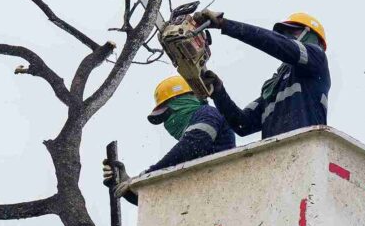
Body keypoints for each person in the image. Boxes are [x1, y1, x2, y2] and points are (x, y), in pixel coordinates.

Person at [194, 11, 330, 139]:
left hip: (306, 152)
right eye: (283, 33)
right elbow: (243, 124)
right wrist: (218, 91)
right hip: (276, 159)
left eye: (292, 31)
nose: (286, 36)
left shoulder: (317, 58)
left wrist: (225, 24)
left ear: (311, 35)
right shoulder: (275, 87)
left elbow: (280, 44)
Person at [103, 75, 235, 203]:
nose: (167, 123)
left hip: (225, 191)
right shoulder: (188, 164)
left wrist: (144, 178)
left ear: (183, 101)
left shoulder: (208, 113)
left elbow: (193, 145)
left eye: (167, 115)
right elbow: (161, 199)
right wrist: (128, 188)